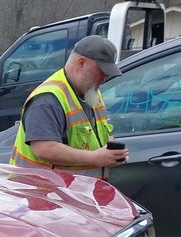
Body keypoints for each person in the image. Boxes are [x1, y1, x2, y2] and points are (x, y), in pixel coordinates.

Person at [11, 35, 130, 178]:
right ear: (81, 63)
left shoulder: (91, 93)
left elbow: (103, 133)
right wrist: (94, 157)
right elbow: (44, 149)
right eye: (102, 70)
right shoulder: (48, 99)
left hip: (75, 193)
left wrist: (111, 152)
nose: (105, 77)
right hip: (44, 193)